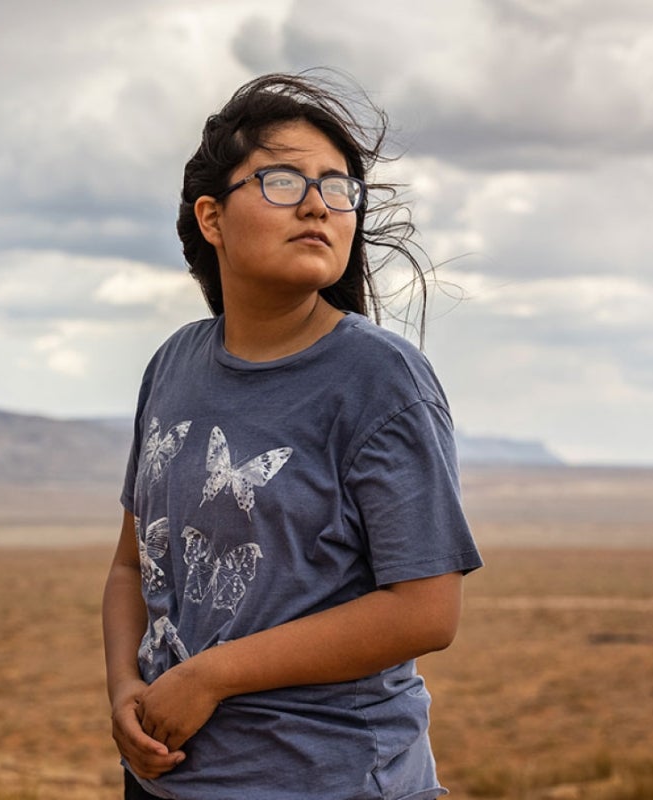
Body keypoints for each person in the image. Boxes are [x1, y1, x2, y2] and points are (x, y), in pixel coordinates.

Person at [101, 69, 483, 800]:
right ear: (211, 218)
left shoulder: (379, 378)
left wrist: (211, 676)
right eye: (282, 180)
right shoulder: (174, 364)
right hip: (164, 783)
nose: (318, 204)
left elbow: (426, 611)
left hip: (328, 781)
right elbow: (130, 569)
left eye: (338, 187)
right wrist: (125, 692)